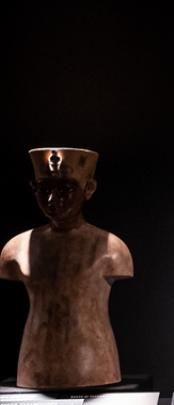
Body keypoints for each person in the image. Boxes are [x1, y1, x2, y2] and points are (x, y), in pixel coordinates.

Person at [0, 148, 133, 389]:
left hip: (94, 365)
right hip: (35, 365)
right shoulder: (15, 249)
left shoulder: (112, 249)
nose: (53, 199)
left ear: (89, 189)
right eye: (44, 189)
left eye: (65, 189)